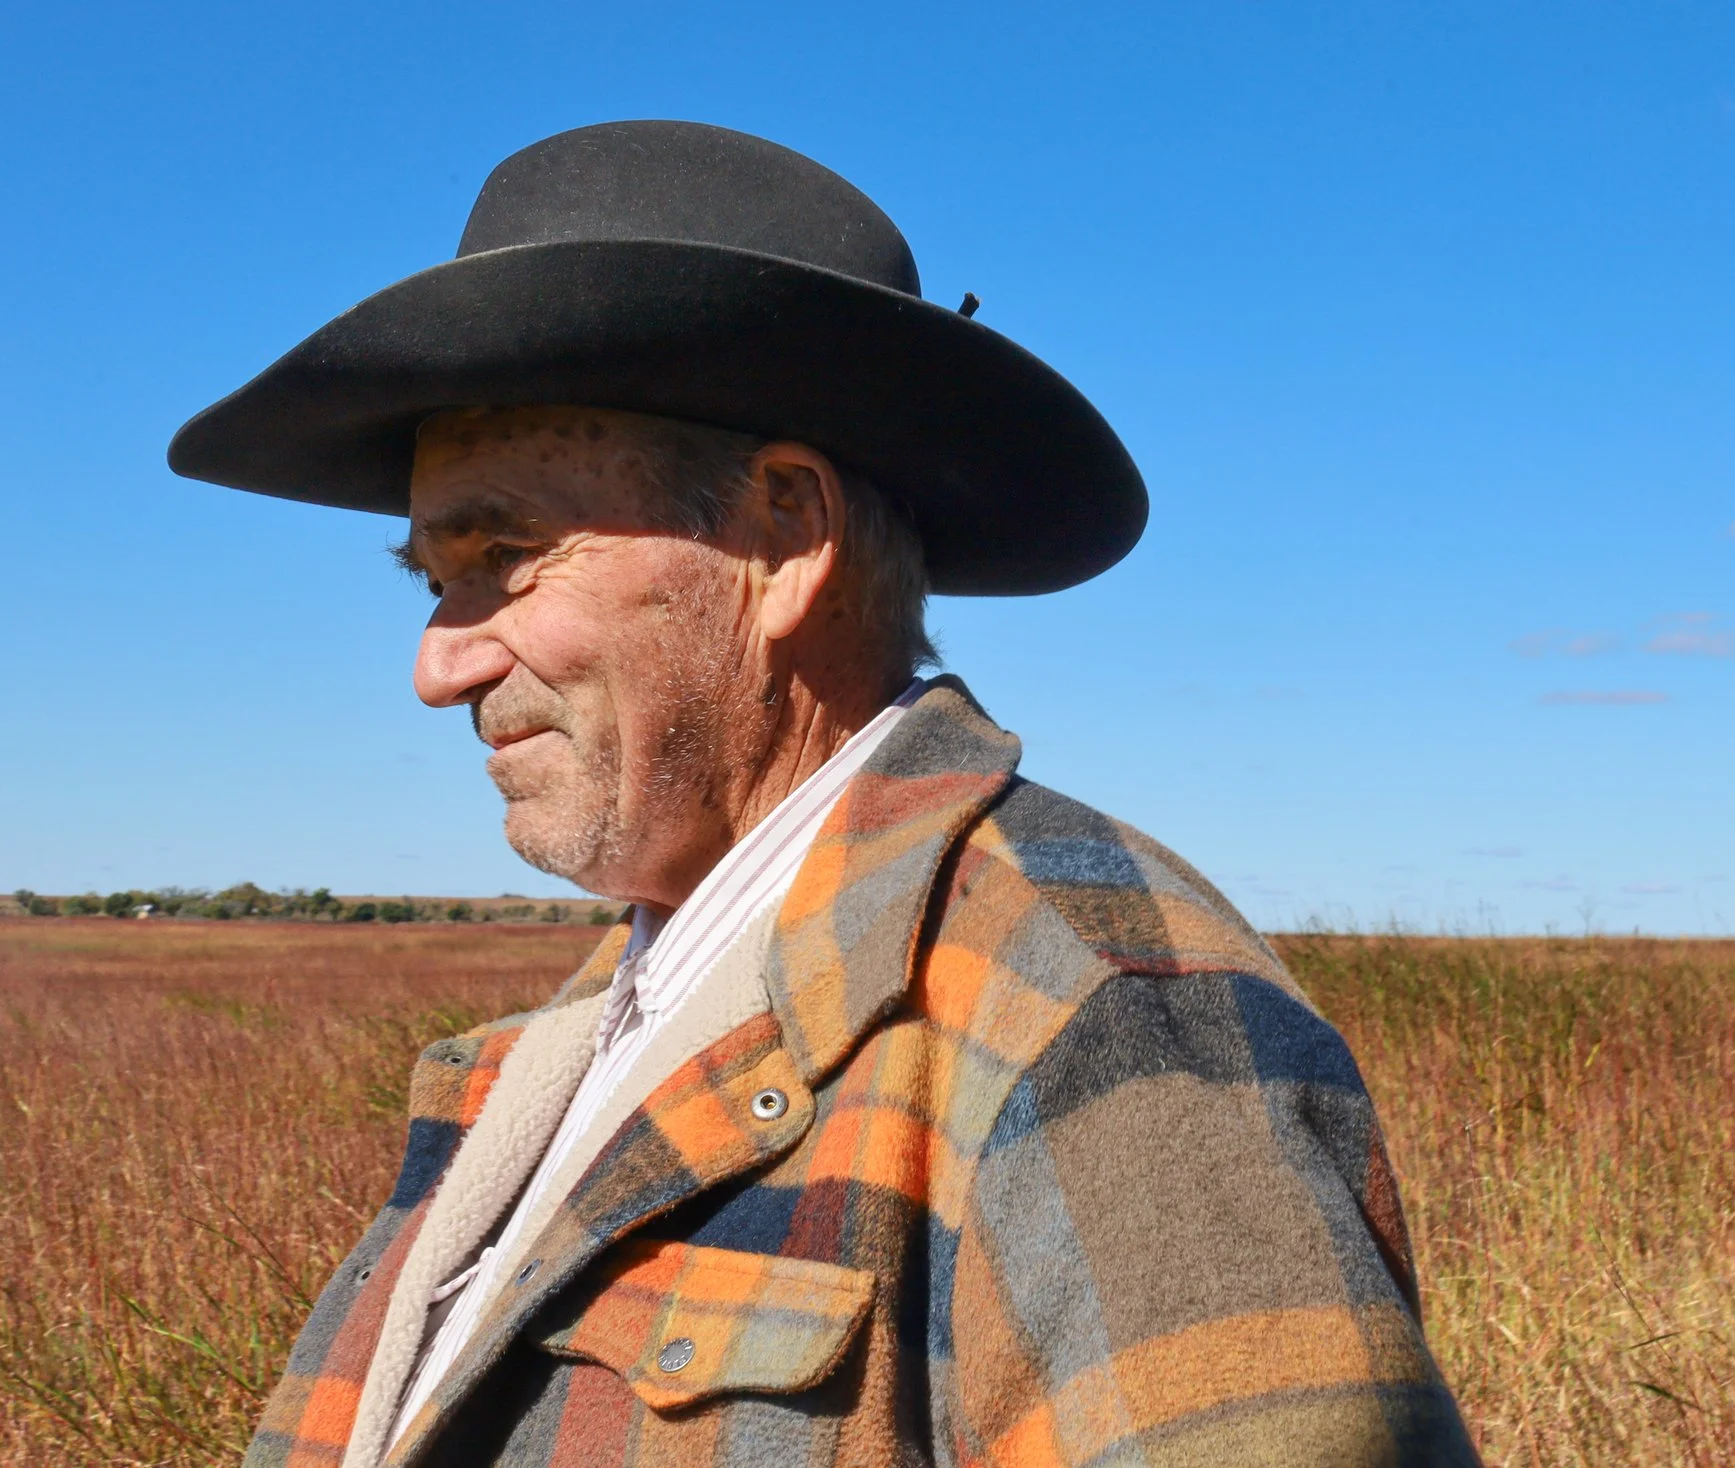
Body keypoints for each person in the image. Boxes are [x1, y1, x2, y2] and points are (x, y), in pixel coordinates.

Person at [170, 120, 1478, 1468]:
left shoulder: (1095, 1008)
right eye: (428, 579)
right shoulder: (577, 1048)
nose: (437, 666)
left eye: (506, 553)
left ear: (787, 534)